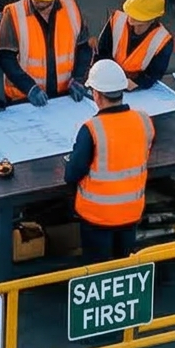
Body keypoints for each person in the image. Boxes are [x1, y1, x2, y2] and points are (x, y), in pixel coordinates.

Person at [65, 59, 152, 260]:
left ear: (96, 94)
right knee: (124, 265)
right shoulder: (144, 121)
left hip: (97, 218)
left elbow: (71, 174)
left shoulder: (92, 129)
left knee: (99, 271)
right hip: (131, 213)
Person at [0, 0, 85, 104]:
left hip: (64, 97)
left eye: (43, 0)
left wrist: (78, 78)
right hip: (23, 98)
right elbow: (5, 58)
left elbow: (84, 47)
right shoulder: (14, 14)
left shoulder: (71, 9)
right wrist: (29, 88)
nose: (38, 3)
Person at [97, 0, 175, 87]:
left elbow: (154, 73)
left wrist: (136, 83)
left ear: (153, 19)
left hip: (134, 84)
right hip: (107, 75)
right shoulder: (117, 20)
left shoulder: (163, 40)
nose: (132, 18)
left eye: (138, 16)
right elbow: (101, 52)